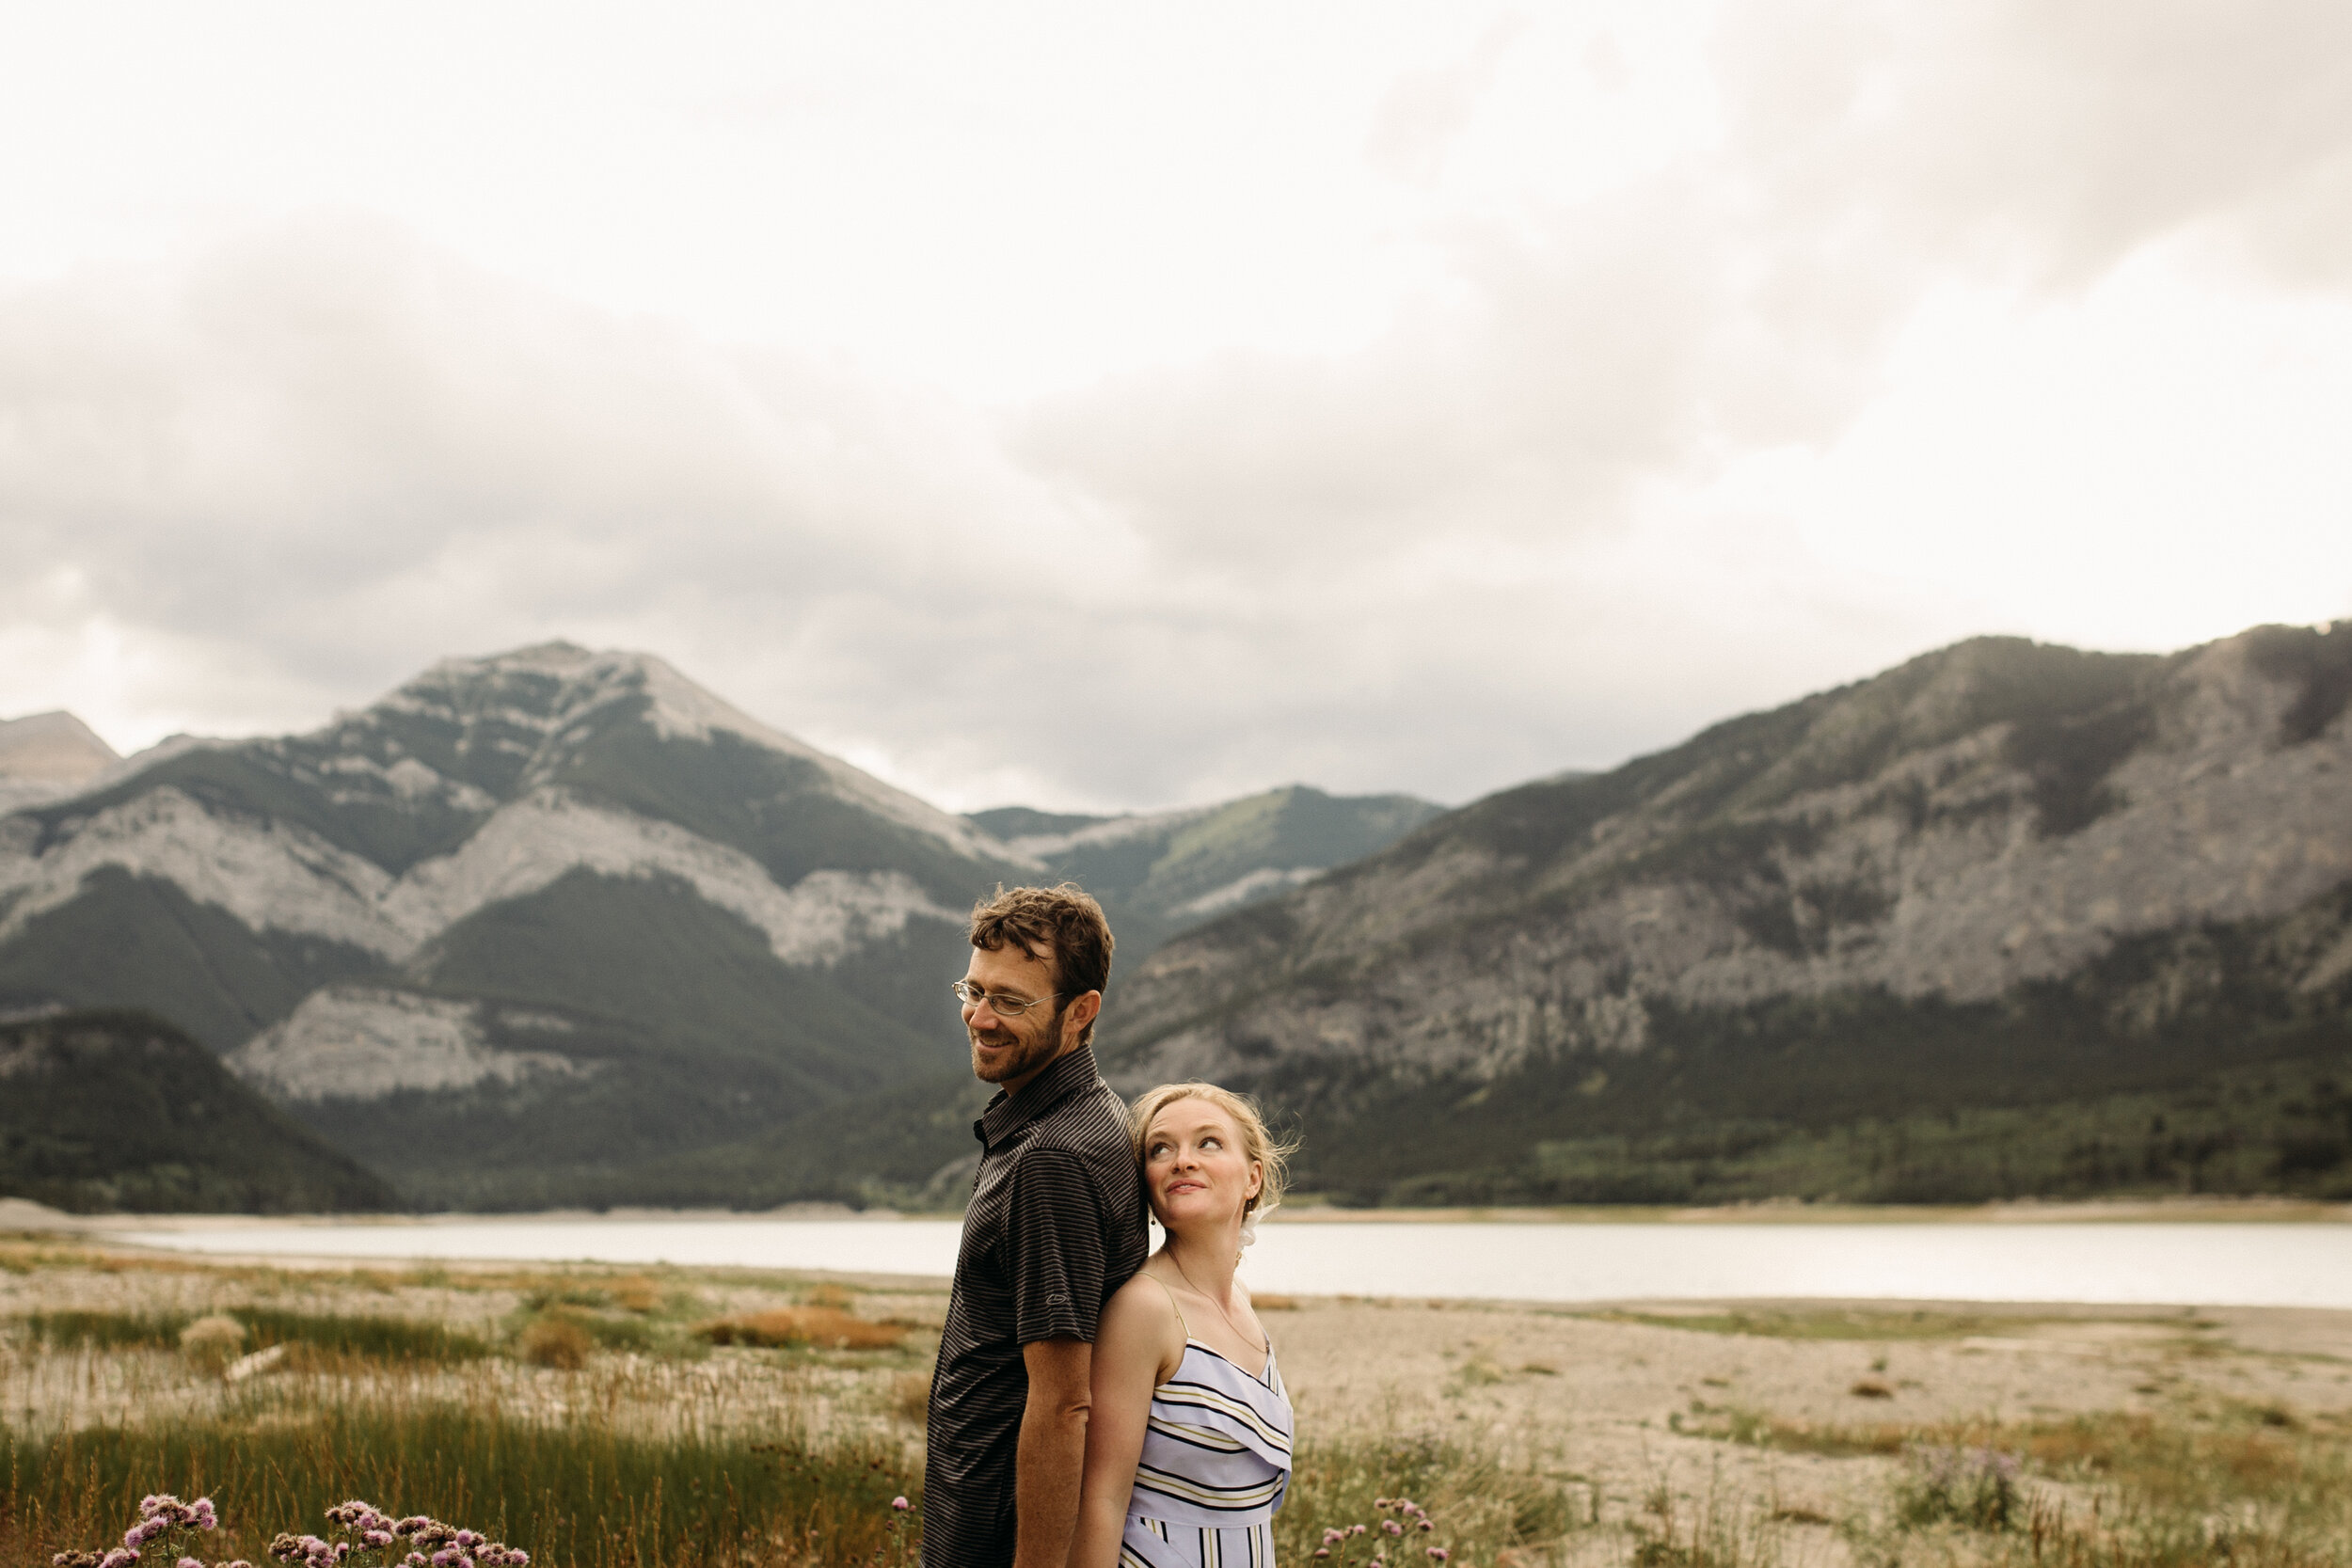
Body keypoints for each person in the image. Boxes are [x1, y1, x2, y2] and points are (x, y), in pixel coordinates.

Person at [925, 884, 1150, 1568]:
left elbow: (1063, 1405)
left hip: (994, 1541)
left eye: (1011, 1001)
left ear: (1081, 1013)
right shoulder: (1080, 1116)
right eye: (974, 988)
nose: (979, 1016)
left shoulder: (1050, 1158)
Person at [1070, 1083, 1295, 1568]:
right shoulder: (1145, 1308)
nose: (1182, 1160)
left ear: (1253, 1177)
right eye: (1161, 1149)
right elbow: (1100, 1500)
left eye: (1208, 1142)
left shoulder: (1242, 1300)